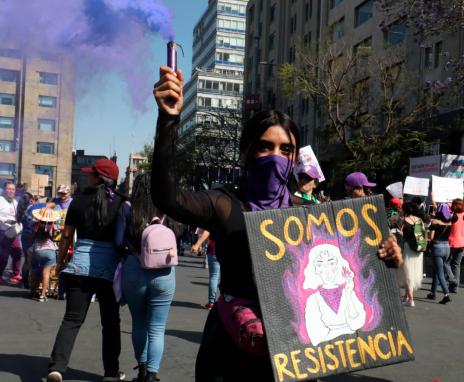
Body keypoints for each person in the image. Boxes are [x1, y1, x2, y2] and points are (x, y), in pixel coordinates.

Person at [151, 64, 403, 381]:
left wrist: (386, 257)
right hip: (231, 353)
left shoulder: (308, 213)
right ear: (245, 153)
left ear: (295, 158)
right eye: (265, 147)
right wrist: (169, 120)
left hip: (292, 352)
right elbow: (168, 196)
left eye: (286, 150)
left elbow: (352, 265)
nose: (276, 156)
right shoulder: (224, 204)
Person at [47, 158, 125, 382]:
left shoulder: (78, 201)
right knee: (111, 323)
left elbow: (67, 237)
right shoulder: (121, 203)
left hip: (79, 268)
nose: (88, 177)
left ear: (98, 178)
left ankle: (57, 367)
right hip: (109, 270)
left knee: (71, 320)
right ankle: (111, 372)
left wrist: (60, 262)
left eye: (91, 174)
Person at [115, 173, 175, 382]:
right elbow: (181, 232)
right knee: (158, 327)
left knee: (139, 322)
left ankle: (141, 369)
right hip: (164, 272)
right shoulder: (165, 207)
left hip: (135, 268)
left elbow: (117, 241)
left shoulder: (127, 207)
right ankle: (152, 373)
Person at [29, 207, 60, 302]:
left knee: (35, 270)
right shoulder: (53, 227)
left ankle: (33, 292)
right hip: (50, 252)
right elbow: (60, 229)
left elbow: (30, 222)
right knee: (46, 273)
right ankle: (43, 296)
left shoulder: (35, 225)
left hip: (37, 251)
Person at [397, 202, 425, 307]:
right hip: (418, 250)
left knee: (407, 274)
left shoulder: (405, 220)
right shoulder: (419, 220)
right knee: (412, 273)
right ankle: (406, 297)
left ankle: (411, 299)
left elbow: (400, 233)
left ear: (405, 210)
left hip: (408, 249)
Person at [445, 194, 464, 293]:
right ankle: (455, 287)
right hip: (463, 242)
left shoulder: (452, 216)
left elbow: (443, 215)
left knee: (446, 263)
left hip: (453, 243)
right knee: (456, 264)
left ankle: (452, 280)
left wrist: (446, 206)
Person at [0, 182, 24, 285]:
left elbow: (18, 216)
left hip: (13, 231)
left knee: (17, 251)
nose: (11, 191)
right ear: (5, 189)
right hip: (2, 230)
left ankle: (16, 274)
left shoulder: (15, 202)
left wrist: (18, 225)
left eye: (13, 189)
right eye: (9, 189)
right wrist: (7, 220)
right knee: (3, 255)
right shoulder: (0, 200)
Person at [191, 229, 220, 309]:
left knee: (214, 277)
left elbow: (207, 232)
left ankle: (211, 302)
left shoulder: (214, 219)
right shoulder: (232, 220)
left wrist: (197, 244)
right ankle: (225, 302)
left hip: (213, 250)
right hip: (227, 251)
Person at [428, 211, 452, 304]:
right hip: (447, 248)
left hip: (437, 247)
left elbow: (431, 237)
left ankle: (446, 294)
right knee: (436, 270)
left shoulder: (434, 222)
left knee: (439, 272)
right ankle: (432, 292)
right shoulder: (449, 223)